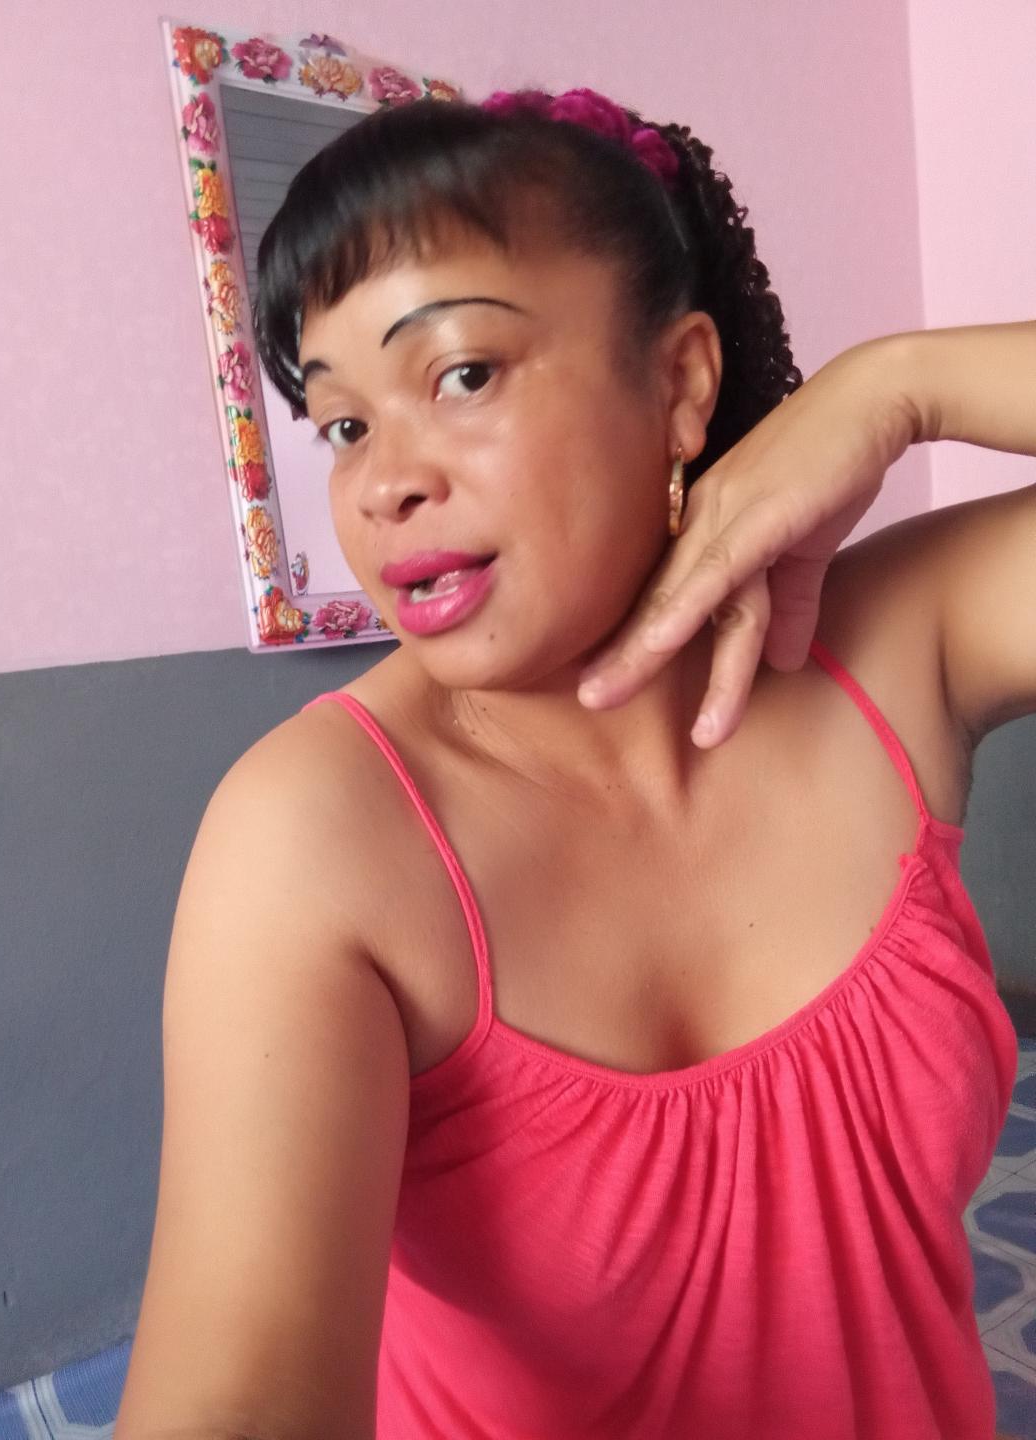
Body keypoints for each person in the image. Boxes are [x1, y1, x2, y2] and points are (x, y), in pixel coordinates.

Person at [114, 86, 1036, 1440]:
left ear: (680, 384)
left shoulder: (896, 648)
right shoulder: (314, 834)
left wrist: (900, 385)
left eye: (461, 375)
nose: (380, 484)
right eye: (343, 423)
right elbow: (237, 1398)